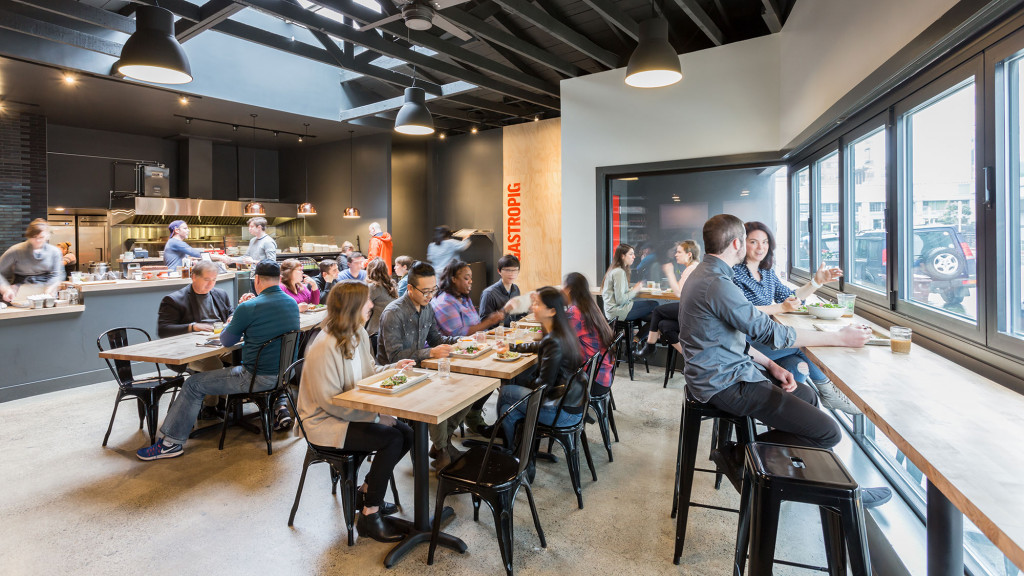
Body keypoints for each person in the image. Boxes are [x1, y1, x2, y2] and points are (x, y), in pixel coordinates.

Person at [676, 214, 890, 507]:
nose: (754, 247)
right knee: (828, 432)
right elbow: (770, 332)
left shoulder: (706, 274)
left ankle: (809, 476)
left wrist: (772, 365)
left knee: (806, 395)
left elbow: (724, 338)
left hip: (720, 373)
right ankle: (738, 455)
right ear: (737, 244)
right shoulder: (717, 283)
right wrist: (839, 338)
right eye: (749, 241)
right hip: (725, 383)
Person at [137, 259, 299, 460]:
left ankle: (170, 444)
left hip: (256, 378)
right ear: (279, 280)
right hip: (285, 375)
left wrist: (237, 319)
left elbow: (226, 340)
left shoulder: (249, 307)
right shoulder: (292, 303)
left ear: (256, 279)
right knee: (222, 365)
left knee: (192, 384)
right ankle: (236, 408)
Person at [297, 282, 414, 543]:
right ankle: (370, 516)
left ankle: (366, 491)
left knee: (407, 433)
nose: (371, 305)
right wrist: (376, 417)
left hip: (351, 413)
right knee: (392, 438)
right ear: (351, 307)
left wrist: (395, 368)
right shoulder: (324, 346)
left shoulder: (358, 333)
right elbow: (330, 403)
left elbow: (369, 373)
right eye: (366, 301)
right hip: (324, 423)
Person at [733, 221, 859, 414]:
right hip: (745, 344)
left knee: (797, 366)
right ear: (742, 243)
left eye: (765, 242)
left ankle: (787, 420)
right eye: (754, 242)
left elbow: (790, 297)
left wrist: (816, 282)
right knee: (801, 343)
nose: (761, 248)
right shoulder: (734, 273)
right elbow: (741, 311)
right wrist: (780, 307)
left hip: (764, 338)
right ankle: (828, 391)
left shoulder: (766, 273)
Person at [375, 261, 460, 469]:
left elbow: (436, 339)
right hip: (393, 377)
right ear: (410, 288)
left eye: (433, 290)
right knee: (438, 396)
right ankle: (442, 448)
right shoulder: (393, 313)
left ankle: (442, 442)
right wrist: (430, 352)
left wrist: (462, 342)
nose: (430, 296)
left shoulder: (427, 306)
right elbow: (395, 357)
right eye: (425, 291)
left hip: (419, 371)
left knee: (462, 390)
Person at [494, 287, 588, 450]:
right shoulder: (561, 332)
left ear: (552, 311)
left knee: (506, 392)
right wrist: (513, 347)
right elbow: (540, 345)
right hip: (573, 404)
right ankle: (517, 453)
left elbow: (543, 386)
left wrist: (522, 383)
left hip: (561, 412)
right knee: (508, 410)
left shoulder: (554, 340)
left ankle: (504, 442)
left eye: (537, 304)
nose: (532, 307)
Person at [156, 260, 235, 417]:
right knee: (214, 366)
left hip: (216, 344)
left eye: (214, 280)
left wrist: (232, 317)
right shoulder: (174, 300)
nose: (211, 284)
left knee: (239, 358)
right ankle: (211, 406)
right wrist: (193, 327)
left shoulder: (220, 294)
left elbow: (231, 311)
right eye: (206, 279)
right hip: (188, 351)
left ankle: (226, 402)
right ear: (193, 277)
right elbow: (163, 330)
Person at [635, 240, 701, 358]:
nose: (676, 254)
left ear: (689, 254)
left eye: (679, 252)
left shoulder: (691, 269)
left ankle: (650, 346)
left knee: (657, 311)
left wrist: (670, 273)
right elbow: (680, 288)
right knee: (664, 325)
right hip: (691, 310)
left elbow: (678, 293)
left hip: (692, 311)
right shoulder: (692, 268)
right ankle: (689, 357)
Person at [563, 272, 614, 395]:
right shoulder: (591, 307)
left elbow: (560, 341)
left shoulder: (575, 312)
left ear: (569, 290)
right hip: (604, 375)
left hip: (592, 380)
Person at [432, 259, 507, 338]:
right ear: (453, 279)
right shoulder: (444, 302)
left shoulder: (464, 298)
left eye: (471, 278)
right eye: (466, 278)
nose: (471, 281)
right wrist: (489, 321)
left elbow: (477, 324)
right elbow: (458, 334)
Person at [602, 243, 658, 339]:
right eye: (631, 254)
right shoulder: (619, 272)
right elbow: (621, 300)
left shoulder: (615, 270)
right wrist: (635, 289)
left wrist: (632, 289)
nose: (634, 256)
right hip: (618, 311)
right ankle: (638, 339)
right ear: (622, 256)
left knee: (655, 317)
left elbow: (620, 294)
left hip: (613, 311)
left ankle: (636, 340)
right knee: (655, 304)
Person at [0, 219, 64, 302]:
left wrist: (51, 287)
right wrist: (5, 289)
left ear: (47, 236)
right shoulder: (15, 250)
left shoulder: (54, 251)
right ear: (28, 236)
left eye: (41, 237)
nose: (38, 241)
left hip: (46, 291)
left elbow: (57, 274)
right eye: (34, 237)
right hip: (19, 290)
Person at [479, 254, 527, 327]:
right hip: (496, 333)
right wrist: (505, 310)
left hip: (512, 331)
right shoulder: (489, 293)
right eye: (508, 270)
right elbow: (483, 322)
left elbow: (516, 316)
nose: (511, 274)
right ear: (499, 271)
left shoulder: (516, 289)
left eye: (515, 270)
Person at [163, 220, 228, 272]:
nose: (188, 230)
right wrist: (220, 257)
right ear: (177, 230)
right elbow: (196, 253)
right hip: (174, 274)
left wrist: (192, 261)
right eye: (185, 228)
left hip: (178, 274)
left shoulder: (174, 242)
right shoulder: (175, 242)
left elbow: (183, 258)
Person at [366, 258, 396, 337]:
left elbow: (362, 305)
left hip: (375, 329)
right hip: (391, 326)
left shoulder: (374, 286)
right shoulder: (392, 284)